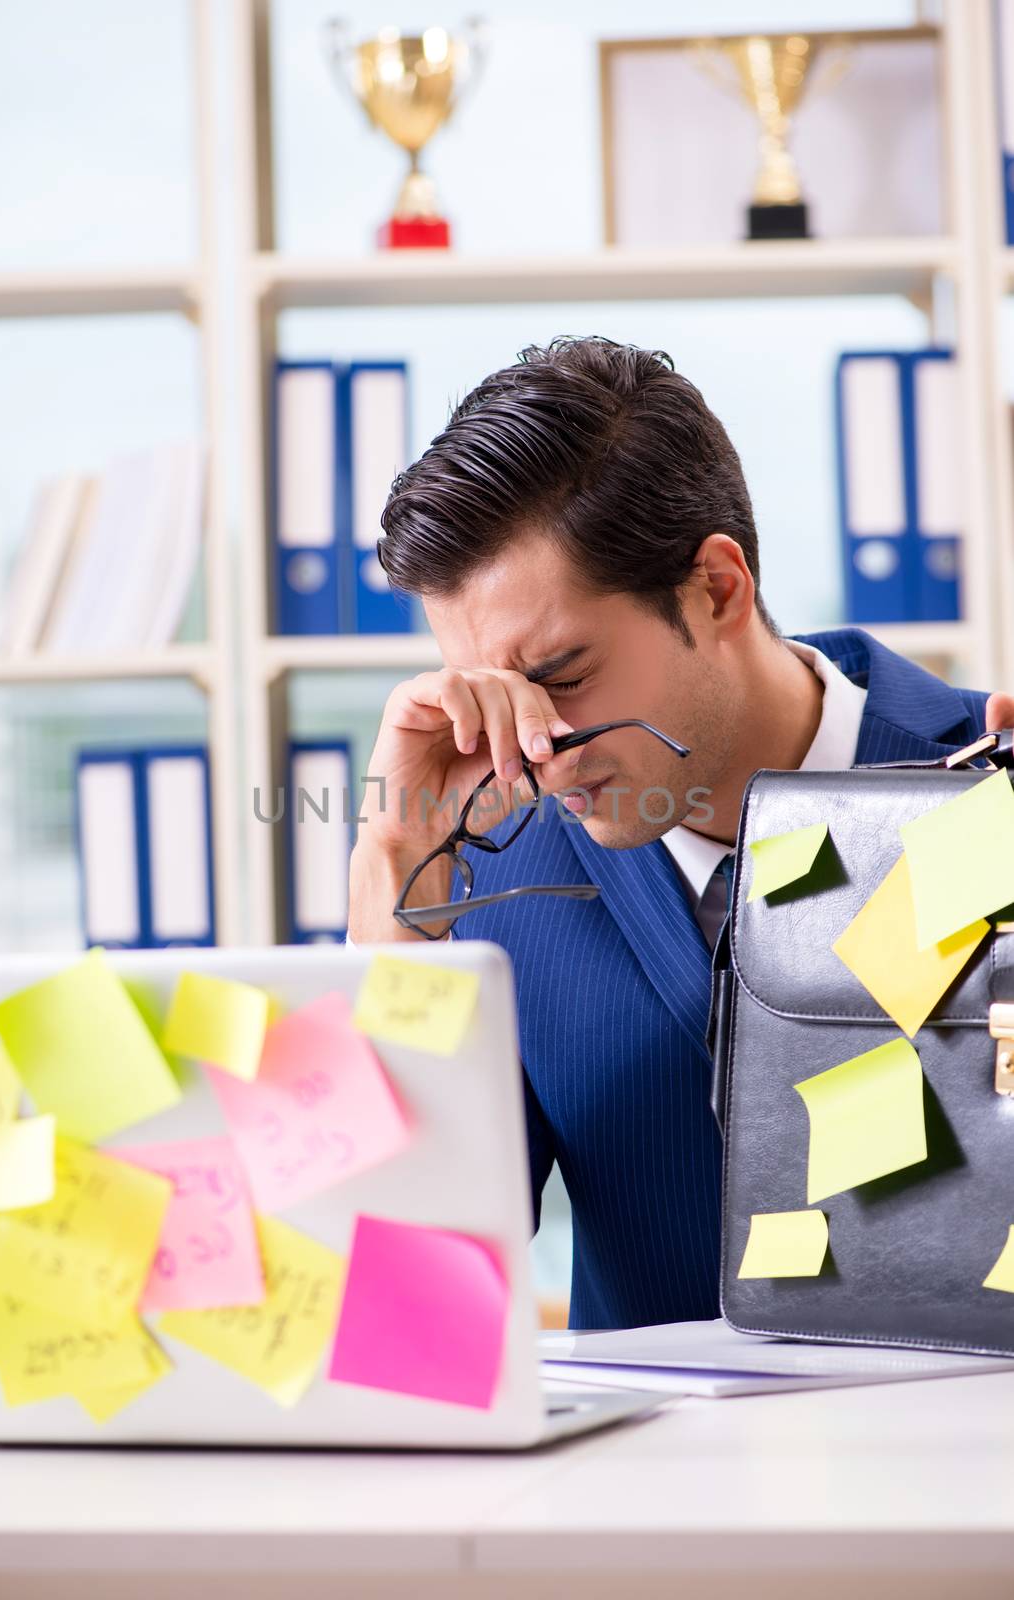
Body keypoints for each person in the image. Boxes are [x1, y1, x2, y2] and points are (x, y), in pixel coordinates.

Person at [348, 334, 1013, 1331]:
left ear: (716, 586)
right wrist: (396, 868)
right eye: (492, 692)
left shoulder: (988, 784)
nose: (537, 744)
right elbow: (405, 1277)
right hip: (654, 1486)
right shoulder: (488, 871)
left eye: (564, 676)